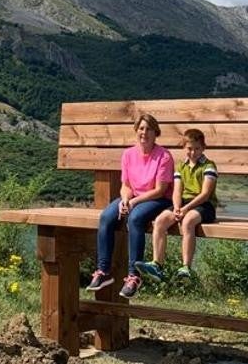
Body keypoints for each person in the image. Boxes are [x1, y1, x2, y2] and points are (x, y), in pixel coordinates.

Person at [86, 113, 174, 298]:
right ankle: (103, 272)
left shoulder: (164, 156)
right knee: (106, 217)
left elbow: (160, 190)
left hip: (157, 199)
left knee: (135, 218)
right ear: (136, 131)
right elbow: (126, 185)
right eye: (141, 128)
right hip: (133, 197)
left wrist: (133, 202)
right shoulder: (128, 154)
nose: (144, 132)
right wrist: (125, 199)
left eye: (149, 129)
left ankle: (134, 276)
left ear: (155, 132)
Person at [137, 128, 218, 280]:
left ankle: (186, 266)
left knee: (187, 222)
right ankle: (157, 264)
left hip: (204, 205)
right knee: (160, 221)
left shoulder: (209, 166)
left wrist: (186, 209)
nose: (193, 152)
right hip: (183, 204)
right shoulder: (181, 167)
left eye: (197, 149)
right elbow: (176, 191)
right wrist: (176, 207)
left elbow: (205, 194)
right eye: (189, 149)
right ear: (183, 147)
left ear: (203, 148)